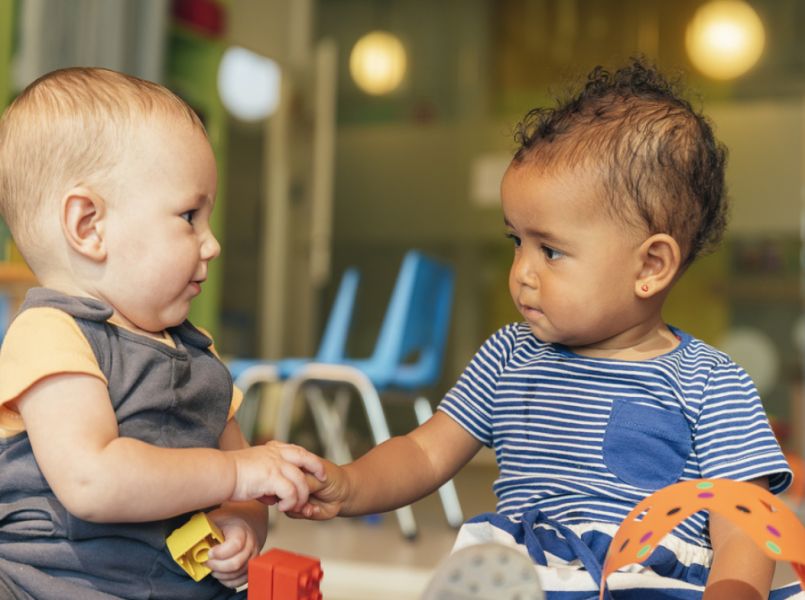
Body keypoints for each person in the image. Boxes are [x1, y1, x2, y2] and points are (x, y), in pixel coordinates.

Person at [297, 60, 795, 599]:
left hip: (647, 584)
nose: (522, 274)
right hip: (525, 581)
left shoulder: (710, 382)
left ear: (650, 267)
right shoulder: (509, 356)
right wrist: (349, 485)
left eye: (551, 250)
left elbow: (742, 517)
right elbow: (424, 454)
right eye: (517, 242)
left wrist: (735, 591)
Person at [0, 67, 325, 600]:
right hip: (52, 585)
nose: (211, 243)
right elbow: (93, 480)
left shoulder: (199, 354)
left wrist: (243, 523)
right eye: (189, 216)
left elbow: (242, 484)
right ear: (89, 227)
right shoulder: (51, 336)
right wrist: (235, 475)